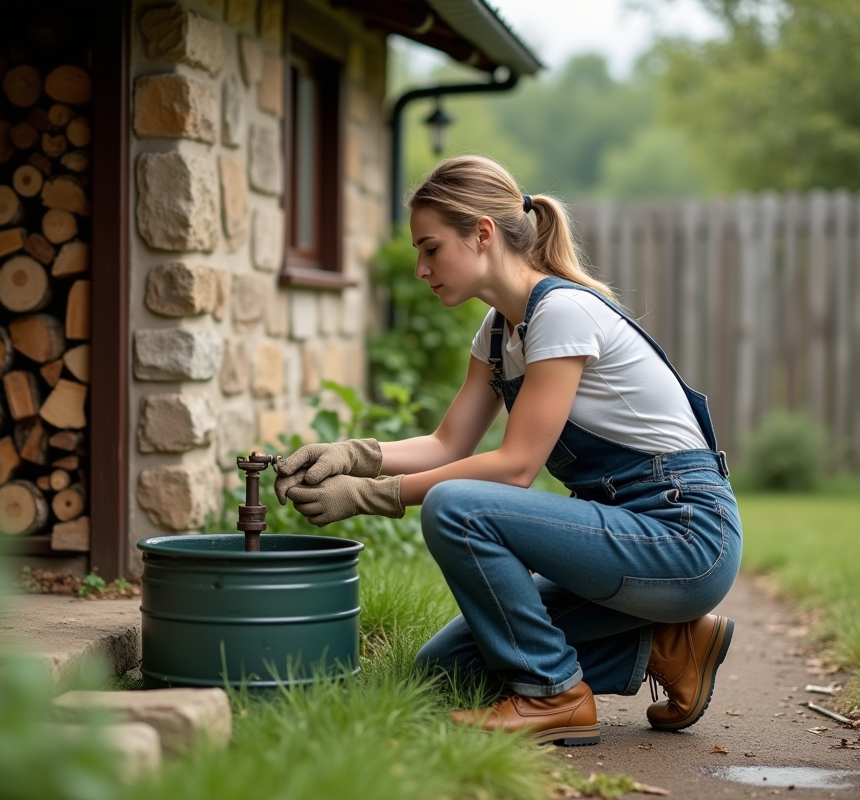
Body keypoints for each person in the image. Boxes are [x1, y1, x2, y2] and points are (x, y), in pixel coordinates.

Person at [275, 155, 742, 747]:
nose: (420, 268)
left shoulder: (562, 311)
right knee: (449, 672)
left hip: (685, 536)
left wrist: (370, 496)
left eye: (430, 248)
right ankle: (672, 647)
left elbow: (515, 468)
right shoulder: (499, 332)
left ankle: (553, 694)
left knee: (455, 506)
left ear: (483, 233)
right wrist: (351, 456)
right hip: (631, 540)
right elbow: (447, 444)